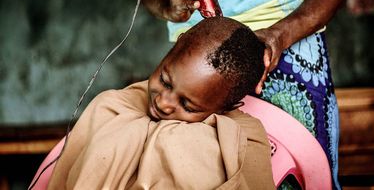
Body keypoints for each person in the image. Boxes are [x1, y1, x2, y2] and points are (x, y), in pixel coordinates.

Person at [134, 0, 355, 189]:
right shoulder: (169, 90)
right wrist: (166, 4)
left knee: (302, 167)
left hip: (293, 33)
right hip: (198, 55)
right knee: (184, 169)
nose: (163, 101)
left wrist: (281, 35)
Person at [48, 17, 275, 189]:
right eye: (165, 81)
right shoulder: (115, 105)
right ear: (176, 44)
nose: (163, 103)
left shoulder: (246, 138)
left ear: (226, 108)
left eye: (188, 106)